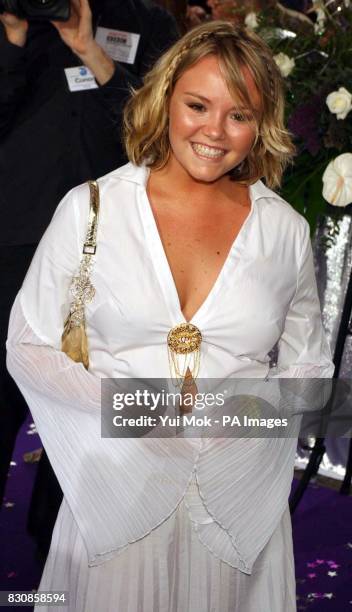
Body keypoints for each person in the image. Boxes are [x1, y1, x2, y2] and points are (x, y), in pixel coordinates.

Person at [7, 20, 333, 612]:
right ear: (165, 101)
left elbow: (309, 373)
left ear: (261, 125)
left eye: (239, 114)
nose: (214, 130)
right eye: (198, 105)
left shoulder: (284, 228)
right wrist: (138, 412)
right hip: (117, 491)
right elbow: (28, 344)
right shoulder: (91, 208)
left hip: (235, 502)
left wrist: (235, 421)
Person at [0, 0, 178, 534]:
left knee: (85, 415)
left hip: (107, 257)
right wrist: (10, 39)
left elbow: (157, 138)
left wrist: (91, 53)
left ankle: (58, 548)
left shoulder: (146, 22)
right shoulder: (12, 21)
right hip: (12, 250)